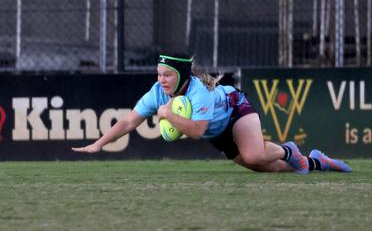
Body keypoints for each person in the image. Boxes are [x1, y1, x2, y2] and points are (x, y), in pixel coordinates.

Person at [72, 53, 352, 174]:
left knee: (255, 154)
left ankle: (289, 150)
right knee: (268, 168)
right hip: (218, 134)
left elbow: (196, 130)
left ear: (181, 74)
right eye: (158, 74)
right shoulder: (158, 91)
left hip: (236, 111)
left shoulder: (198, 91)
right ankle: (317, 162)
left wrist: (167, 114)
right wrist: (99, 143)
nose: (161, 80)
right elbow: (128, 120)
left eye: (167, 75)